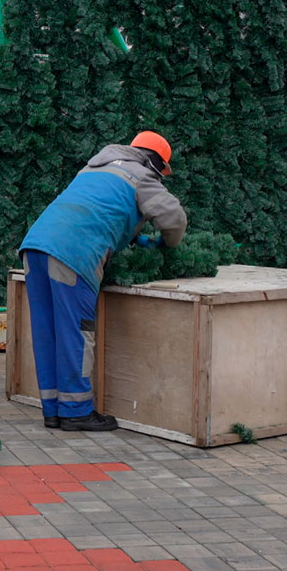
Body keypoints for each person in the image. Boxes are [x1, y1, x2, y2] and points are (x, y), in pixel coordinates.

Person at [18, 131, 188, 431]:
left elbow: (99, 211)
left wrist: (137, 237)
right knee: (76, 332)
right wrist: (166, 245)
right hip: (73, 255)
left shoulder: (95, 167)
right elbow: (173, 219)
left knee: (48, 332)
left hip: (35, 248)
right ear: (157, 163)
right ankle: (76, 412)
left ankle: (53, 412)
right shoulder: (143, 175)